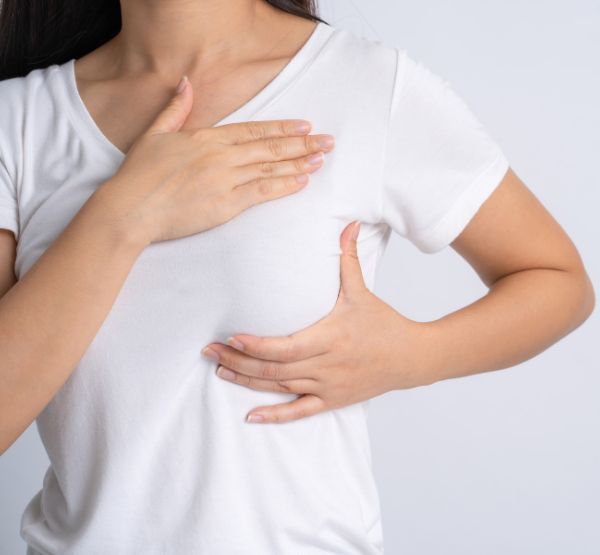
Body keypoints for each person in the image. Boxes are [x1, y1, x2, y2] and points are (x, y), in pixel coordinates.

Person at [0, 0, 594, 553]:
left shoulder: (368, 86)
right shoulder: (17, 121)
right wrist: (123, 216)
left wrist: (411, 355)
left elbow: (558, 280)